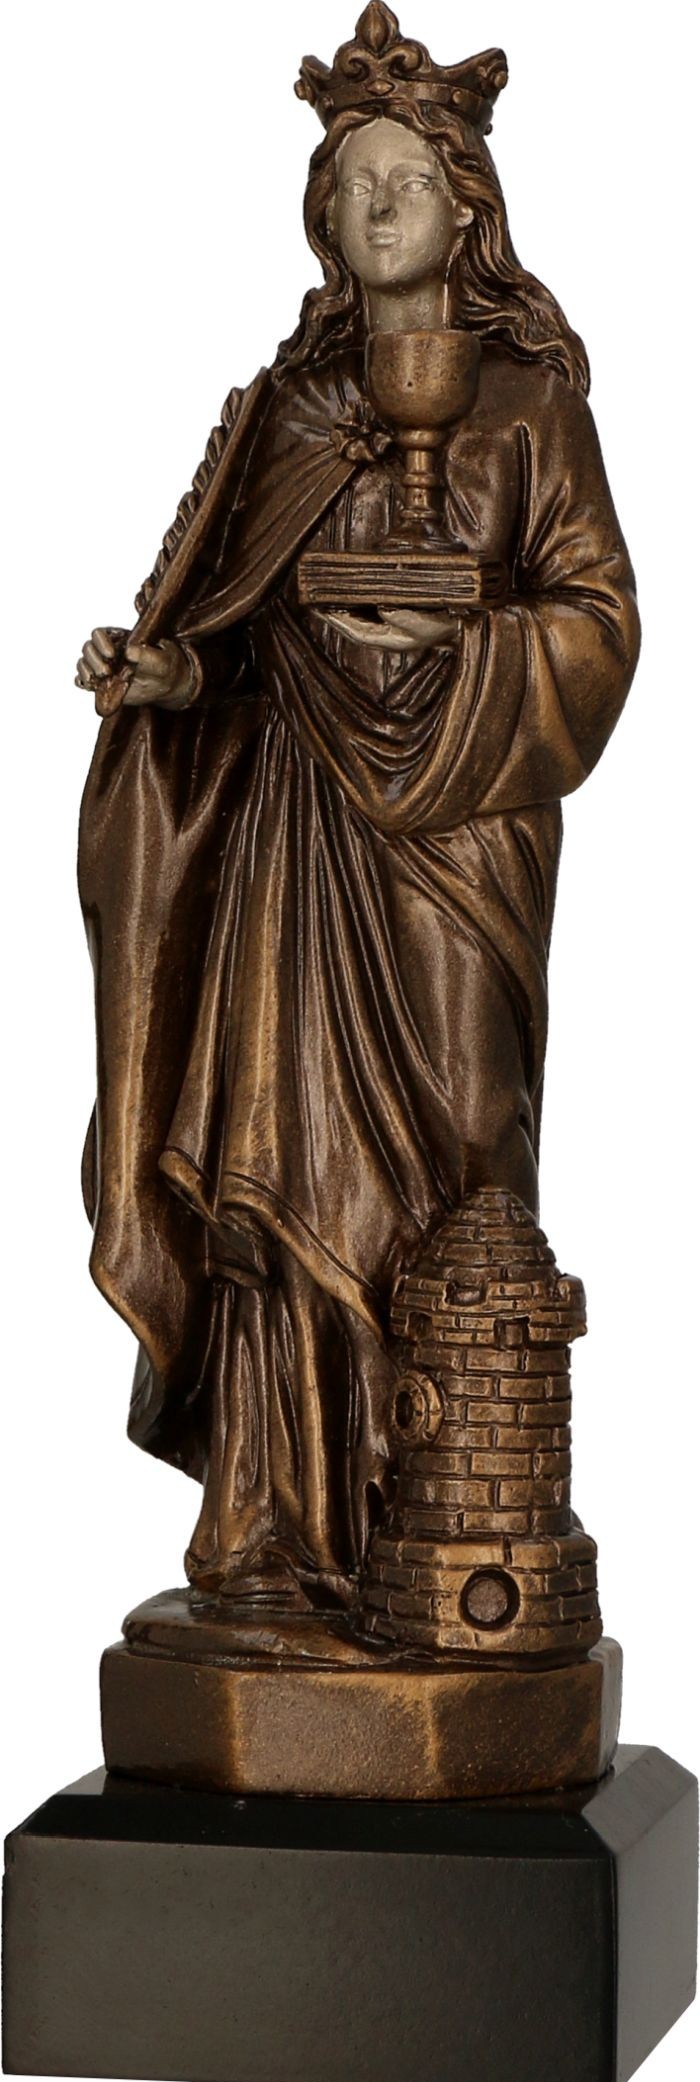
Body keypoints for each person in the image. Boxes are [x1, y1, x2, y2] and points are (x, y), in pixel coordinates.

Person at [76, 6, 639, 1613]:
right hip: (299, 837)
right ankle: (281, 1530)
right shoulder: (291, 408)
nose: (377, 206)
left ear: (468, 207)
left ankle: (450, 1537)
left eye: (408, 180)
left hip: (460, 846)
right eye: (352, 182)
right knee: (281, 1153)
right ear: (321, 212)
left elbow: (600, 623)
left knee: (465, 1148)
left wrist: (467, 651)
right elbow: (242, 626)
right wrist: (177, 676)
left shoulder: (529, 406)